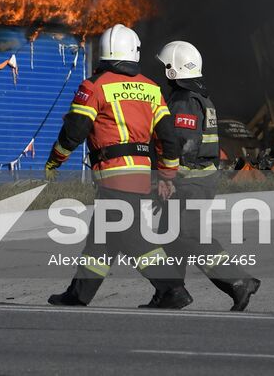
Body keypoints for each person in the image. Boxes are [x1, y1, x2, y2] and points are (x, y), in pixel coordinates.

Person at [45, 23, 183, 306]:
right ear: (134, 53)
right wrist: (167, 175)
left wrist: (54, 160)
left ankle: (172, 289)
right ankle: (78, 294)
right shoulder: (152, 89)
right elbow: (169, 138)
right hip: (141, 174)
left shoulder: (94, 86)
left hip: (113, 174)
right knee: (102, 240)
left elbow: (75, 130)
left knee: (131, 238)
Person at [141, 40, 261, 312]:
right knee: (170, 236)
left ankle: (239, 281)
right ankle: (170, 293)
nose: (163, 71)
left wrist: (167, 179)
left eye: (165, 66)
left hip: (189, 181)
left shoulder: (183, 101)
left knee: (189, 236)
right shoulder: (201, 97)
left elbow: (184, 145)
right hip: (197, 179)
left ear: (174, 70)